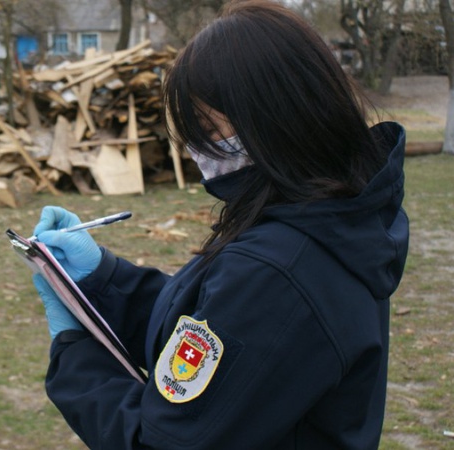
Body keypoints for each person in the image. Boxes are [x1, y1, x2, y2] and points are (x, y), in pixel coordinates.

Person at [29, 1, 409, 448]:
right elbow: (220, 331)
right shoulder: (328, 215)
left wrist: (74, 348)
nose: (196, 149)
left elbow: (159, 442)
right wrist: (103, 280)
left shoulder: (276, 271)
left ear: (273, 116)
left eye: (208, 129)